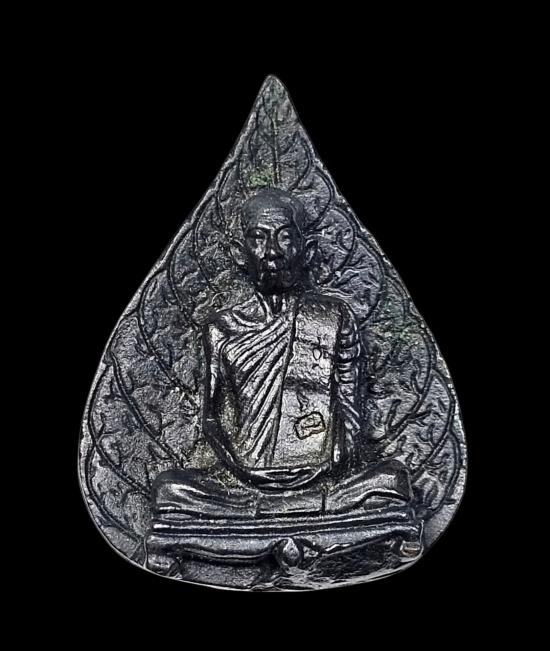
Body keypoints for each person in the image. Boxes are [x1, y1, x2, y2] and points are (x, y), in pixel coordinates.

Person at [152, 188, 410, 520]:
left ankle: (271, 515)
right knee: (168, 488)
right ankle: (299, 514)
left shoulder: (333, 316)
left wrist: (337, 454)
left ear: (307, 250)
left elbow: (350, 409)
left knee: (393, 480)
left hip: (322, 475)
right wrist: (244, 471)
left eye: (286, 237)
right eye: (258, 238)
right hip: (244, 477)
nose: (272, 251)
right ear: (239, 253)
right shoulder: (221, 328)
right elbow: (211, 421)